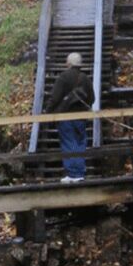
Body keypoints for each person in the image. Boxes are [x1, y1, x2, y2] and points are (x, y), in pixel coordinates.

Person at [45, 52, 95, 183]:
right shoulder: (85, 78)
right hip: (81, 117)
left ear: (69, 64)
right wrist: (84, 109)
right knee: (80, 142)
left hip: (65, 116)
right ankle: (79, 172)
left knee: (69, 143)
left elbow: (55, 97)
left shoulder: (63, 77)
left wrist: (48, 111)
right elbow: (92, 98)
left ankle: (73, 174)